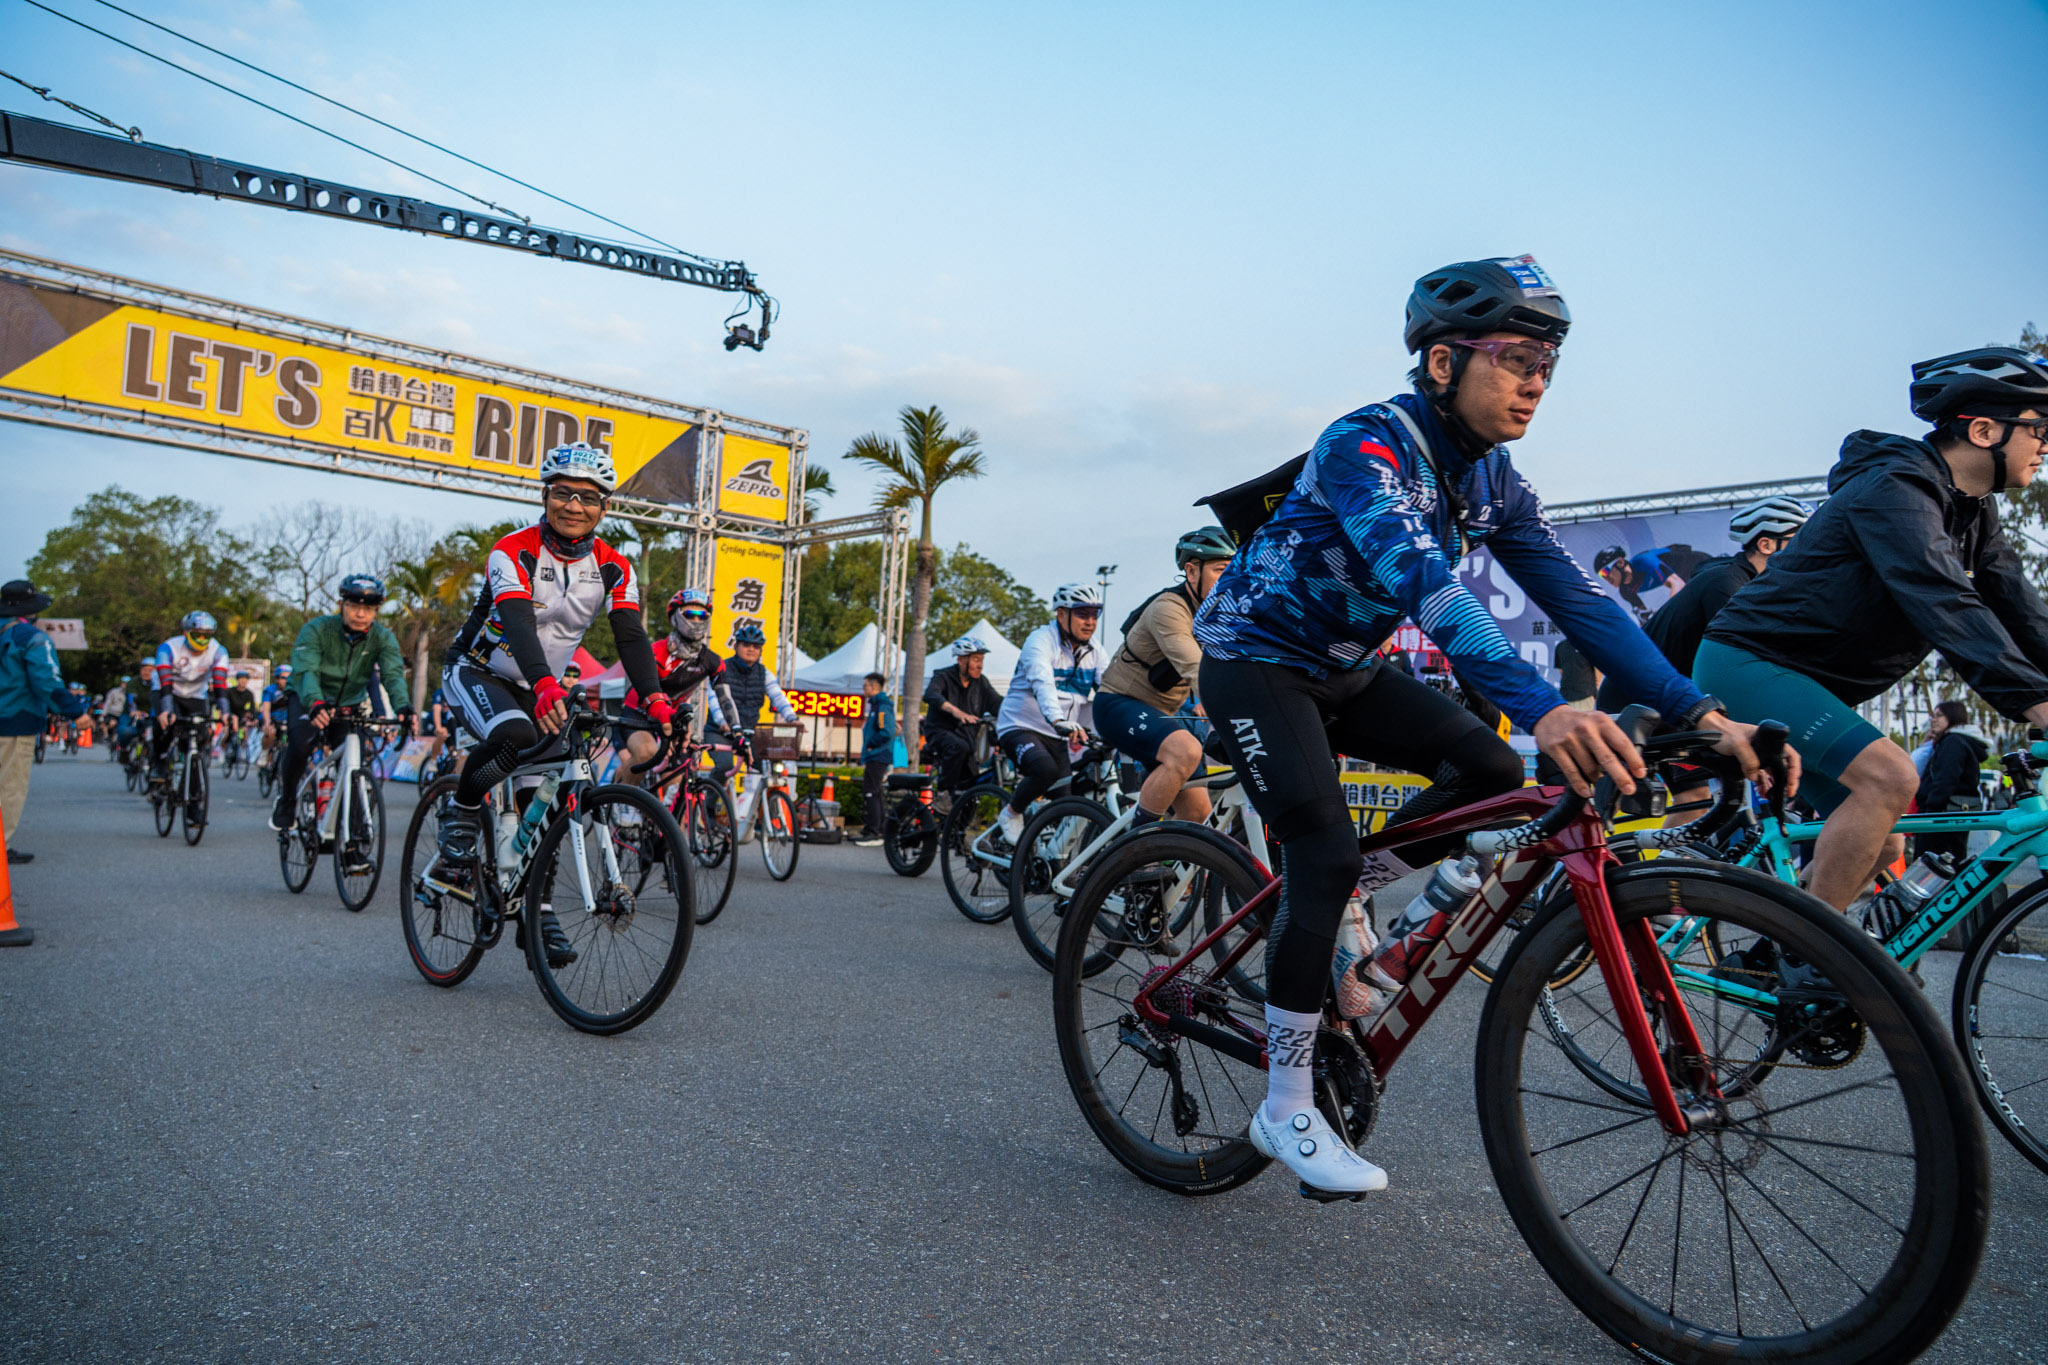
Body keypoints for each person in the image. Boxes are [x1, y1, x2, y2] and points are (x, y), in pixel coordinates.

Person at [1191, 255, 1781, 1197]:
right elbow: (1430, 588)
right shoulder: (1365, 446)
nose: (1536, 382)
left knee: (1494, 777)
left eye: (1549, 364)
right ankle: (1286, 1102)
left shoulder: (1493, 480)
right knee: (1324, 852)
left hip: (1346, 668)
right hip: (1255, 664)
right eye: (1516, 359)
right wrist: (1543, 707)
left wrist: (1698, 711)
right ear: (1442, 362)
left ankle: (1342, 899)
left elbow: (1583, 604)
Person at [1699, 345, 2048, 911]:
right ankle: (1812, 953)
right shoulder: (1895, 488)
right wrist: (2036, 701)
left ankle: (1779, 943)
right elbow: (1945, 600)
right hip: (1750, 666)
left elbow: (2021, 610)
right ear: (1984, 430)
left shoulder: (1973, 511)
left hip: (1805, 682)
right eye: (2040, 429)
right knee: (1890, 778)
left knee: (1883, 842)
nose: (2045, 446)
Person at [437, 443, 673, 965]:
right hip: (477, 670)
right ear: (545, 496)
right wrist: (545, 684)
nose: (574, 506)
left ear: (604, 507)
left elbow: (630, 637)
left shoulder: (615, 567)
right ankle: (463, 810)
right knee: (514, 736)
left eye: (588, 498)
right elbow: (518, 623)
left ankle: (537, 912)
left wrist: (656, 698)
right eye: (563, 493)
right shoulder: (512, 551)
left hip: (539, 685)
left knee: (551, 792)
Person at [1594, 495, 1812, 823]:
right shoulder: (1727, 584)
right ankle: (1620, 856)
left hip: (1670, 702)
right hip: (1640, 702)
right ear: (1766, 544)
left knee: (1706, 801)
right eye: (1800, 541)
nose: (1809, 550)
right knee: (1688, 800)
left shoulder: (1748, 585)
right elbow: (1740, 670)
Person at [1095, 527, 1237, 828]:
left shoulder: (1217, 614)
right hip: (1118, 704)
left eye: (1233, 571)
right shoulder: (1168, 609)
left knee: (1197, 813)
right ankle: (1133, 849)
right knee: (1186, 751)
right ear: (1191, 571)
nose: (1229, 580)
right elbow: (1196, 668)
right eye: (1220, 570)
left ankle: (1160, 857)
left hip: (1162, 715)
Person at [268, 575, 413, 837]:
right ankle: (287, 800)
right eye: (354, 606)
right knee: (300, 744)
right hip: (308, 697)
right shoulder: (317, 629)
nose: (360, 614)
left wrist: (403, 708)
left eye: (368, 609)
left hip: (348, 703)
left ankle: (353, 836)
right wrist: (315, 703)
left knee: (356, 762)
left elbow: (392, 675)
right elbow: (306, 671)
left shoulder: (382, 637)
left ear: (376, 611)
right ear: (341, 604)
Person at [994, 583, 1106, 846]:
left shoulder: (1095, 651)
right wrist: (1057, 719)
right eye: (1082, 613)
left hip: (1058, 735)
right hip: (1020, 726)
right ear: (1061, 614)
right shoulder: (1040, 641)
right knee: (1044, 770)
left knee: (1066, 809)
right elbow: (1042, 682)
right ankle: (1012, 813)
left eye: (1095, 614)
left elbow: (1111, 690)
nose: (1090, 622)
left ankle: (1043, 860)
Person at [616, 588, 739, 787]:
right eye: (690, 614)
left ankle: (658, 806)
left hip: (673, 719)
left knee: (675, 783)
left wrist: (738, 732)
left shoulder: (712, 661)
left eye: (702, 616)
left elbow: (725, 698)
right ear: (674, 617)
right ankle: (621, 798)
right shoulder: (654, 651)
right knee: (646, 754)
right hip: (638, 713)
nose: (696, 621)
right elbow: (639, 687)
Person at [0, 580, 85, 862]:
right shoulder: (31, 637)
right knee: (10, 786)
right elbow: (46, 681)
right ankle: (1, 846)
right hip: (15, 720)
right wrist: (76, 712)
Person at [703, 621, 797, 784]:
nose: (751, 649)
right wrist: (723, 721)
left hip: (748, 733)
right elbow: (715, 698)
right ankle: (709, 799)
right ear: (736, 646)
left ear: (760, 651)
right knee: (725, 766)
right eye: (746, 645)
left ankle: (764, 800)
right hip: (720, 732)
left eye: (756, 646)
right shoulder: (722, 668)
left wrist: (792, 718)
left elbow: (778, 697)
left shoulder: (764, 673)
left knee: (769, 769)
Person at [149, 610, 229, 783]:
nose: (202, 639)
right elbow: (165, 682)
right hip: (167, 690)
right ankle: (159, 762)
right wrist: (166, 710)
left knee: (200, 733)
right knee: (165, 724)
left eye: (207, 636)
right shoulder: (168, 648)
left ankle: (191, 769)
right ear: (186, 633)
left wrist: (225, 713)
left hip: (195, 694)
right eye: (197, 635)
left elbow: (220, 683)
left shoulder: (219, 651)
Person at [922, 635, 1003, 791]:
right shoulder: (943, 676)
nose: (980, 665)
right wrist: (956, 711)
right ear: (960, 660)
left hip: (967, 739)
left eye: (982, 660)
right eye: (975, 660)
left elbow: (997, 703)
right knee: (958, 747)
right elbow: (931, 694)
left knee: (971, 787)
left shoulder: (981, 682)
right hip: (940, 733)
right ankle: (944, 794)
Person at [1915, 701, 1988, 866]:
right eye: (1933, 716)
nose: (1934, 720)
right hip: (1955, 810)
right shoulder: (1959, 740)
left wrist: (1931, 807)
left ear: (1953, 716)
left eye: (1939, 715)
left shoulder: (1953, 742)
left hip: (1941, 814)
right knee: (1951, 861)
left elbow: (1946, 778)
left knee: (1934, 865)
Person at [1593, 544, 1709, 617]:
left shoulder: (1643, 561)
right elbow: (1643, 617)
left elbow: (1677, 584)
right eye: (1601, 575)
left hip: (1702, 563)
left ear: (1620, 563)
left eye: (1605, 571)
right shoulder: (1626, 591)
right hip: (1689, 578)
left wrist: (1664, 616)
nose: (1606, 578)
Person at [855, 671, 896, 846]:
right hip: (875, 754)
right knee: (874, 791)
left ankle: (874, 832)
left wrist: (872, 744)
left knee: (871, 791)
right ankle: (877, 829)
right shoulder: (875, 705)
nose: (863, 689)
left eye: (865, 686)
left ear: (874, 687)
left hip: (878, 755)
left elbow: (886, 732)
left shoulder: (882, 705)